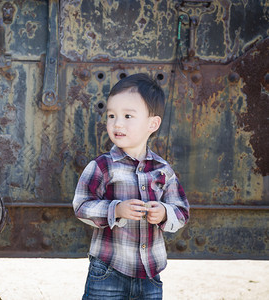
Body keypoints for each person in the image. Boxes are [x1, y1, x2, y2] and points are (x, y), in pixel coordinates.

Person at [73, 73, 190, 300]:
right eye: (111, 116)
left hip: (151, 274)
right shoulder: (102, 166)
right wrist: (115, 209)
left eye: (128, 116)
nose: (117, 123)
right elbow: (81, 205)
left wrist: (165, 212)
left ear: (152, 124)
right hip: (108, 270)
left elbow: (182, 211)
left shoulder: (162, 170)